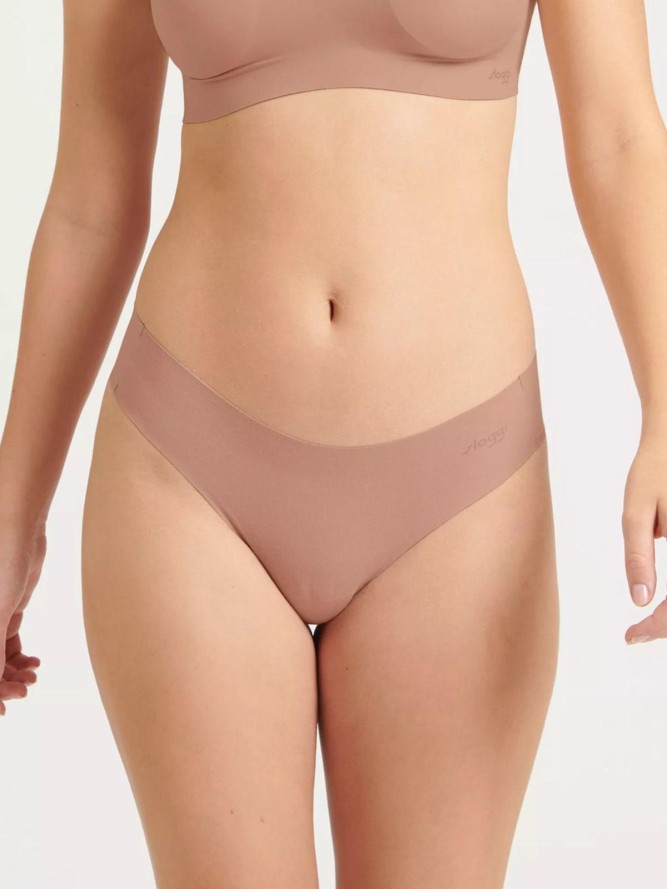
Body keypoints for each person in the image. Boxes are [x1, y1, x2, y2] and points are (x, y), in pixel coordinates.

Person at [1, 0, 666, 886]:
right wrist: (12, 516)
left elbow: (621, 138)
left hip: (460, 486)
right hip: (186, 466)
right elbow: (90, 199)